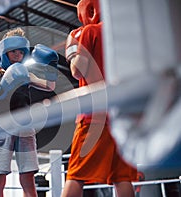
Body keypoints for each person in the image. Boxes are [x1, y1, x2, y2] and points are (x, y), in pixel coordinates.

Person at [61, 1, 138, 197]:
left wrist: (72, 52)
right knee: (122, 178)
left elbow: (78, 72)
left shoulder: (89, 32)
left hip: (95, 116)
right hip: (123, 116)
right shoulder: (125, 37)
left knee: (75, 175)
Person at [0, 27, 59, 197]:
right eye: (13, 52)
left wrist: (51, 65)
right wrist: (7, 81)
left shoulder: (26, 75)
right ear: (4, 53)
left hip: (25, 126)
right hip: (0, 126)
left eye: (20, 52)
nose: (17, 55)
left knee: (28, 179)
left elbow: (50, 86)